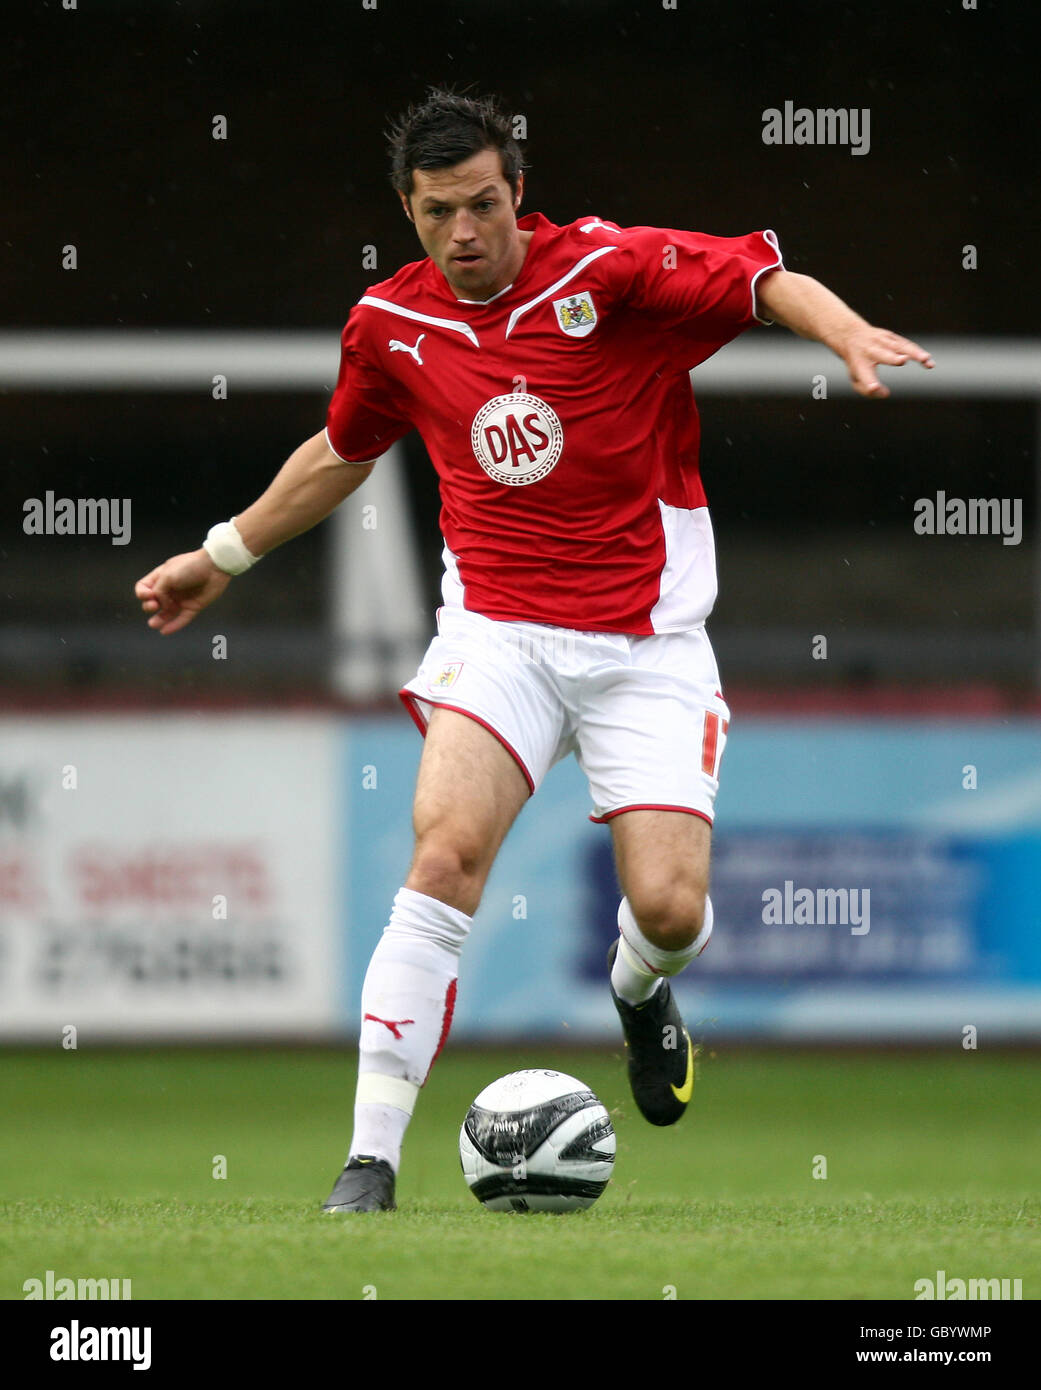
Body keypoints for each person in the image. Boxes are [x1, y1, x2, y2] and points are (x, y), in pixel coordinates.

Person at [135, 87, 934, 1214]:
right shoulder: (391, 326)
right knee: (444, 856)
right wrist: (222, 552)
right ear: (406, 214)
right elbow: (343, 448)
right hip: (497, 633)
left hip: (647, 643)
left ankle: (638, 988)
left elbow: (760, 277)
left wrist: (843, 328)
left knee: (667, 910)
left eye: (480, 206)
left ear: (519, 193)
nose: (462, 235)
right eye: (434, 215)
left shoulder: (606, 272)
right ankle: (368, 1161)